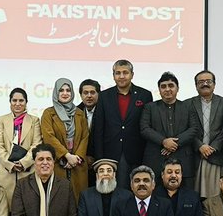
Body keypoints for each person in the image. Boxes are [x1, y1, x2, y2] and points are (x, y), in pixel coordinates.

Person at [90, 60, 153, 188]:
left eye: (125, 72)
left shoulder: (144, 95)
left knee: (135, 190)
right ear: (113, 76)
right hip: (110, 153)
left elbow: (148, 126)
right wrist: (99, 157)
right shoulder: (104, 96)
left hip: (137, 153)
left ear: (132, 74)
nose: (122, 76)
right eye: (118, 73)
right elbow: (98, 129)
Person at [141, 72, 201, 190]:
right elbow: (144, 128)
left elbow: (194, 128)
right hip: (156, 159)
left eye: (171, 85)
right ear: (159, 89)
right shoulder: (150, 107)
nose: (167, 89)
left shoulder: (188, 107)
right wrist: (163, 142)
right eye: (163, 86)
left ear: (177, 88)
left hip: (183, 158)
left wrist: (174, 144)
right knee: (156, 196)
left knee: (185, 197)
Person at [41, 78, 90, 199]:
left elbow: (85, 136)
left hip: (77, 164)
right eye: (61, 90)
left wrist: (76, 157)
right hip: (58, 163)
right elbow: (49, 137)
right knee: (59, 201)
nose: (65, 93)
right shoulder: (48, 113)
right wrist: (66, 156)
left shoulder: (79, 113)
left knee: (79, 200)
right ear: (56, 92)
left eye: (68, 90)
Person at [0, 88, 42, 199]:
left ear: (26, 102)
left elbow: (36, 144)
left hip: (27, 170)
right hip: (5, 171)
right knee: (5, 208)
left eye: (21, 101)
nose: (18, 104)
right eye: (14, 100)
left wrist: (23, 163)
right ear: (10, 102)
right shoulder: (1, 120)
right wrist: (10, 164)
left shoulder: (35, 120)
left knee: (27, 205)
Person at [191, 70, 223, 199]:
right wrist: (200, 146)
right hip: (195, 156)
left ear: (214, 84)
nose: (205, 84)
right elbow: (187, 129)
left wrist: (213, 147)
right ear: (196, 85)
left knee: (215, 196)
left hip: (215, 155)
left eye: (208, 81)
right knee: (195, 195)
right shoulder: (188, 104)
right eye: (201, 82)